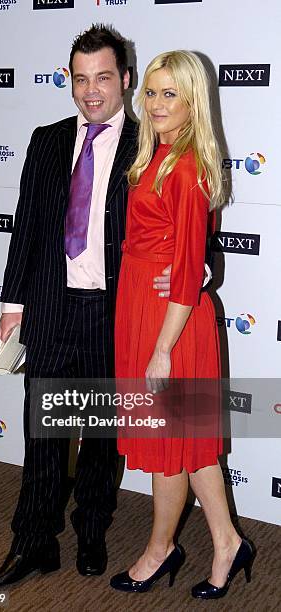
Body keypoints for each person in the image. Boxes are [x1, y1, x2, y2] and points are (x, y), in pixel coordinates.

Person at [0, 25, 174, 589]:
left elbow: (181, 231)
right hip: (48, 306)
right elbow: (26, 232)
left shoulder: (152, 146)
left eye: (104, 78)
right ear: (70, 81)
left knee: (100, 435)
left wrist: (191, 271)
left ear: (126, 81)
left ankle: (91, 531)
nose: (92, 92)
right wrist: (12, 305)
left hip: (113, 313)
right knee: (43, 432)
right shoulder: (45, 141)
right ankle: (32, 543)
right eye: (81, 79)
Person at [110, 51, 254, 599]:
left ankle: (163, 549)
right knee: (183, 442)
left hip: (173, 324)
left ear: (194, 101)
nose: (156, 103)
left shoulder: (188, 164)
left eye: (171, 93)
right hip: (144, 309)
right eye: (151, 92)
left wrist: (163, 348)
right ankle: (224, 542)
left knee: (176, 441)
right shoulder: (155, 156)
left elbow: (190, 267)